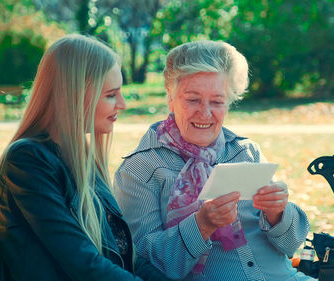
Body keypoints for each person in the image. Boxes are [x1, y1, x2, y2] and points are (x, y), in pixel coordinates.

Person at [114, 40, 315, 281]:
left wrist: (279, 213)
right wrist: (201, 225)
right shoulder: (140, 169)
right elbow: (143, 265)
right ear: (170, 98)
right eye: (192, 99)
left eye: (217, 102)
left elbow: (291, 245)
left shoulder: (246, 152)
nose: (205, 113)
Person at [0, 34, 169, 281]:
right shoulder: (27, 161)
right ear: (75, 96)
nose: (122, 104)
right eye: (111, 94)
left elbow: (125, 257)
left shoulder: (82, 158)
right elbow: (82, 263)